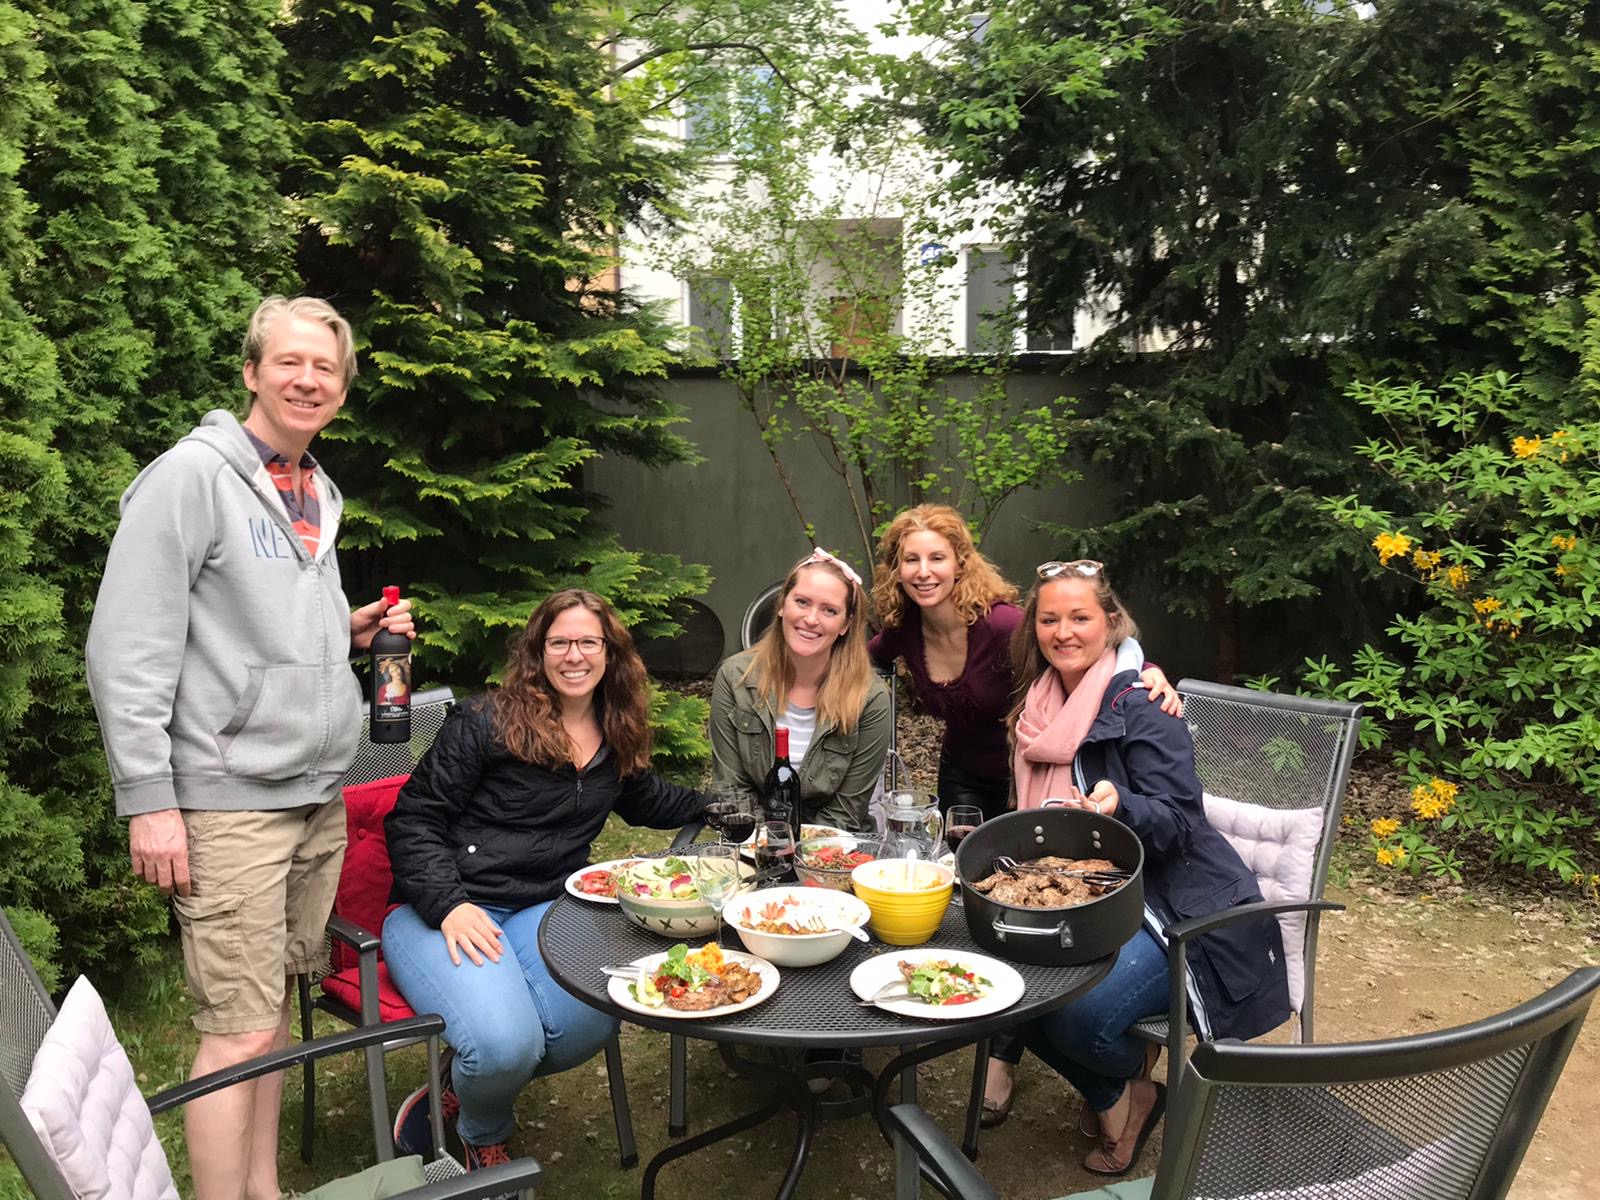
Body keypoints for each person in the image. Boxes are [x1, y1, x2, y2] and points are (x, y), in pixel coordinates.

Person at [85, 295, 414, 1200]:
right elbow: (126, 648)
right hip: (230, 803)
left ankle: (262, 1190)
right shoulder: (191, 479)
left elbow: (250, 624)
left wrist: (344, 634)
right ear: (251, 372)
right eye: (289, 362)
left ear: (342, 388)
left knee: (269, 1019)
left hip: (312, 796)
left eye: (326, 368)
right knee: (234, 1032)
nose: (308, 380)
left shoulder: (315, 489)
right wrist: (150, 800)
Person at [867, 504, 1182, 1125]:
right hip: (964, 774)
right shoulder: (903, 629)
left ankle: (1001, 1057)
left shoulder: (1004, 622)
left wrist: (1148, 670)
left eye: (937, 557)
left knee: (1022, 904)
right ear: (896, 569)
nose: (924, 570)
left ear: (962, 561)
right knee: (973, 903)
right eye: (911, 559)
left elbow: (1086, 644)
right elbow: (854, 656)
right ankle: (989, 1023)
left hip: (1030, 775)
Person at [383, 589, 708, 1169]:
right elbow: (414, 820)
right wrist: (448, 904)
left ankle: (459, 1083)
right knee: (506, 1045)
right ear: (538, 651)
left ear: (610, 652)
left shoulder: (614, 728)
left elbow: (646, 798)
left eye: (588, 642)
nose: (574, 656)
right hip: (448, 908)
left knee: (594, 1019)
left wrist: (715, 807)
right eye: (559, 642)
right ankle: (480, 1132)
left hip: (542, 908)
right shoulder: (485, 722)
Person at [1010, 559, 1289, 1176]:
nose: (1063, 632)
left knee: (1077, 1017)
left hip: (1180, 909)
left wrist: (1120, 806)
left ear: (1110, 622)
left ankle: (1125, 1092)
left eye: (1079, 618)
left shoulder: (1142, 705)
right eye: (1049, 620)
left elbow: (1180, 822)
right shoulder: (1042, 705)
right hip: (1094, 896)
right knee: (1009, 988)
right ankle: (1123, 1090)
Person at [710, 547, 890, 832]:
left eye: (829, 610)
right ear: (782, 605)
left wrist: (801, 852)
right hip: (752, 839)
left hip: (835, 846)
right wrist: (770, 845)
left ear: (845, 624)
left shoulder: (871, 698)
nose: (811, 619)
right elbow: (731, 790)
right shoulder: (735, 679)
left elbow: (847, 812)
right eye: (802, 602)